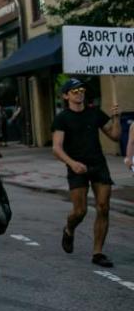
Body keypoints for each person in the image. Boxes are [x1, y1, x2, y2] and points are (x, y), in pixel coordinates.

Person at [52, 78, 121, 267]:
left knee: (103, 207)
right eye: (74, 91)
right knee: (79, 211)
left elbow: (115, 136)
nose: (79, 93)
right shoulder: (62, 118)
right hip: (77, 167)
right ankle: (69, 229)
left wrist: (116, 117)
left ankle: (98, 253)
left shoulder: (94, 113)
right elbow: (57, 148)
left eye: (81, 90)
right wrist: (72, 164)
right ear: (66, 95)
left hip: (98, 165)